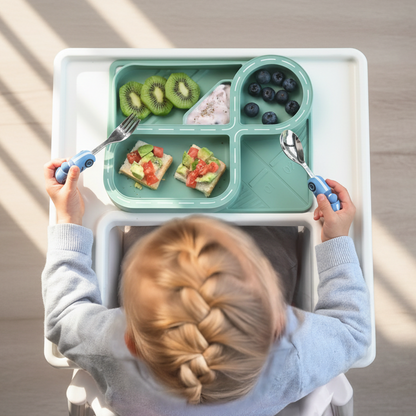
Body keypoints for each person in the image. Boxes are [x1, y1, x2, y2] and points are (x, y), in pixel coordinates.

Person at [42, 160, 371, 416]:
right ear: (278, 326)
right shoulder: (295, 355)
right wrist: (336, 239)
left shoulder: (108, 348)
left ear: (129, 337)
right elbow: (354, 330)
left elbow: (63, 316)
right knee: (277, 238)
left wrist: (68, 221)